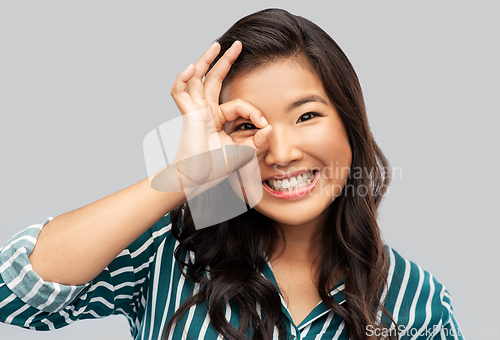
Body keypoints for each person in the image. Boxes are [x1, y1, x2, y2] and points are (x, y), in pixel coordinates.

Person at [0, 8, 463, 340]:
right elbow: (14, 291)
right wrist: (185, 176)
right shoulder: (171, 250)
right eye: (247, 126)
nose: (280, 154)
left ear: (350, 123)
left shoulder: (415, 297)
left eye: (306, 116)